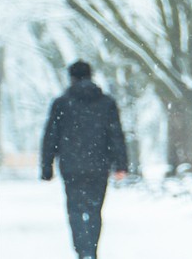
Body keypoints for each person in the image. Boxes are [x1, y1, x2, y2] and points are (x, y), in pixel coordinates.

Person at [41, 60, 130, 259]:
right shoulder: (107, 103)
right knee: (95, 209)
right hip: (99, 165)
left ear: (71, 77)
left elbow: (50, 136)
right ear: (91, 75)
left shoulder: (61, 103)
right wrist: (121, 164)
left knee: (74, 208)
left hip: (71, 166)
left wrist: (47, 166)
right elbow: (116, 134)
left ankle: (81, 250)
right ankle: (92, 249)